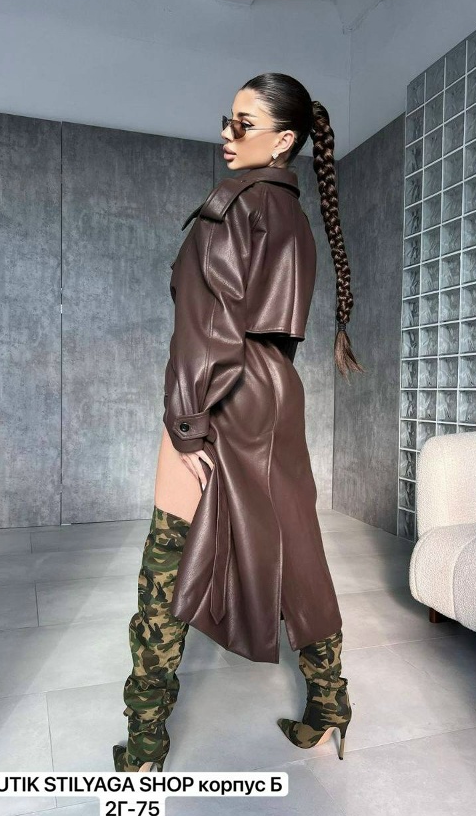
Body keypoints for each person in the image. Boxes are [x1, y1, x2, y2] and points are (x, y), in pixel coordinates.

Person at [113, 72, 365, 773]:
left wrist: (187, 427)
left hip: (219, 399)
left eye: (244, 124)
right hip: (276, 398)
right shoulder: (296, 218)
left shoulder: (228, 205)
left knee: (166, 564)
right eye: (227, 120)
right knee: (297, 551)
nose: (227, 135)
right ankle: (331, 703)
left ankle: (144, 742)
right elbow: (274, 329)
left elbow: (204, 333)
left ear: (283, 140)